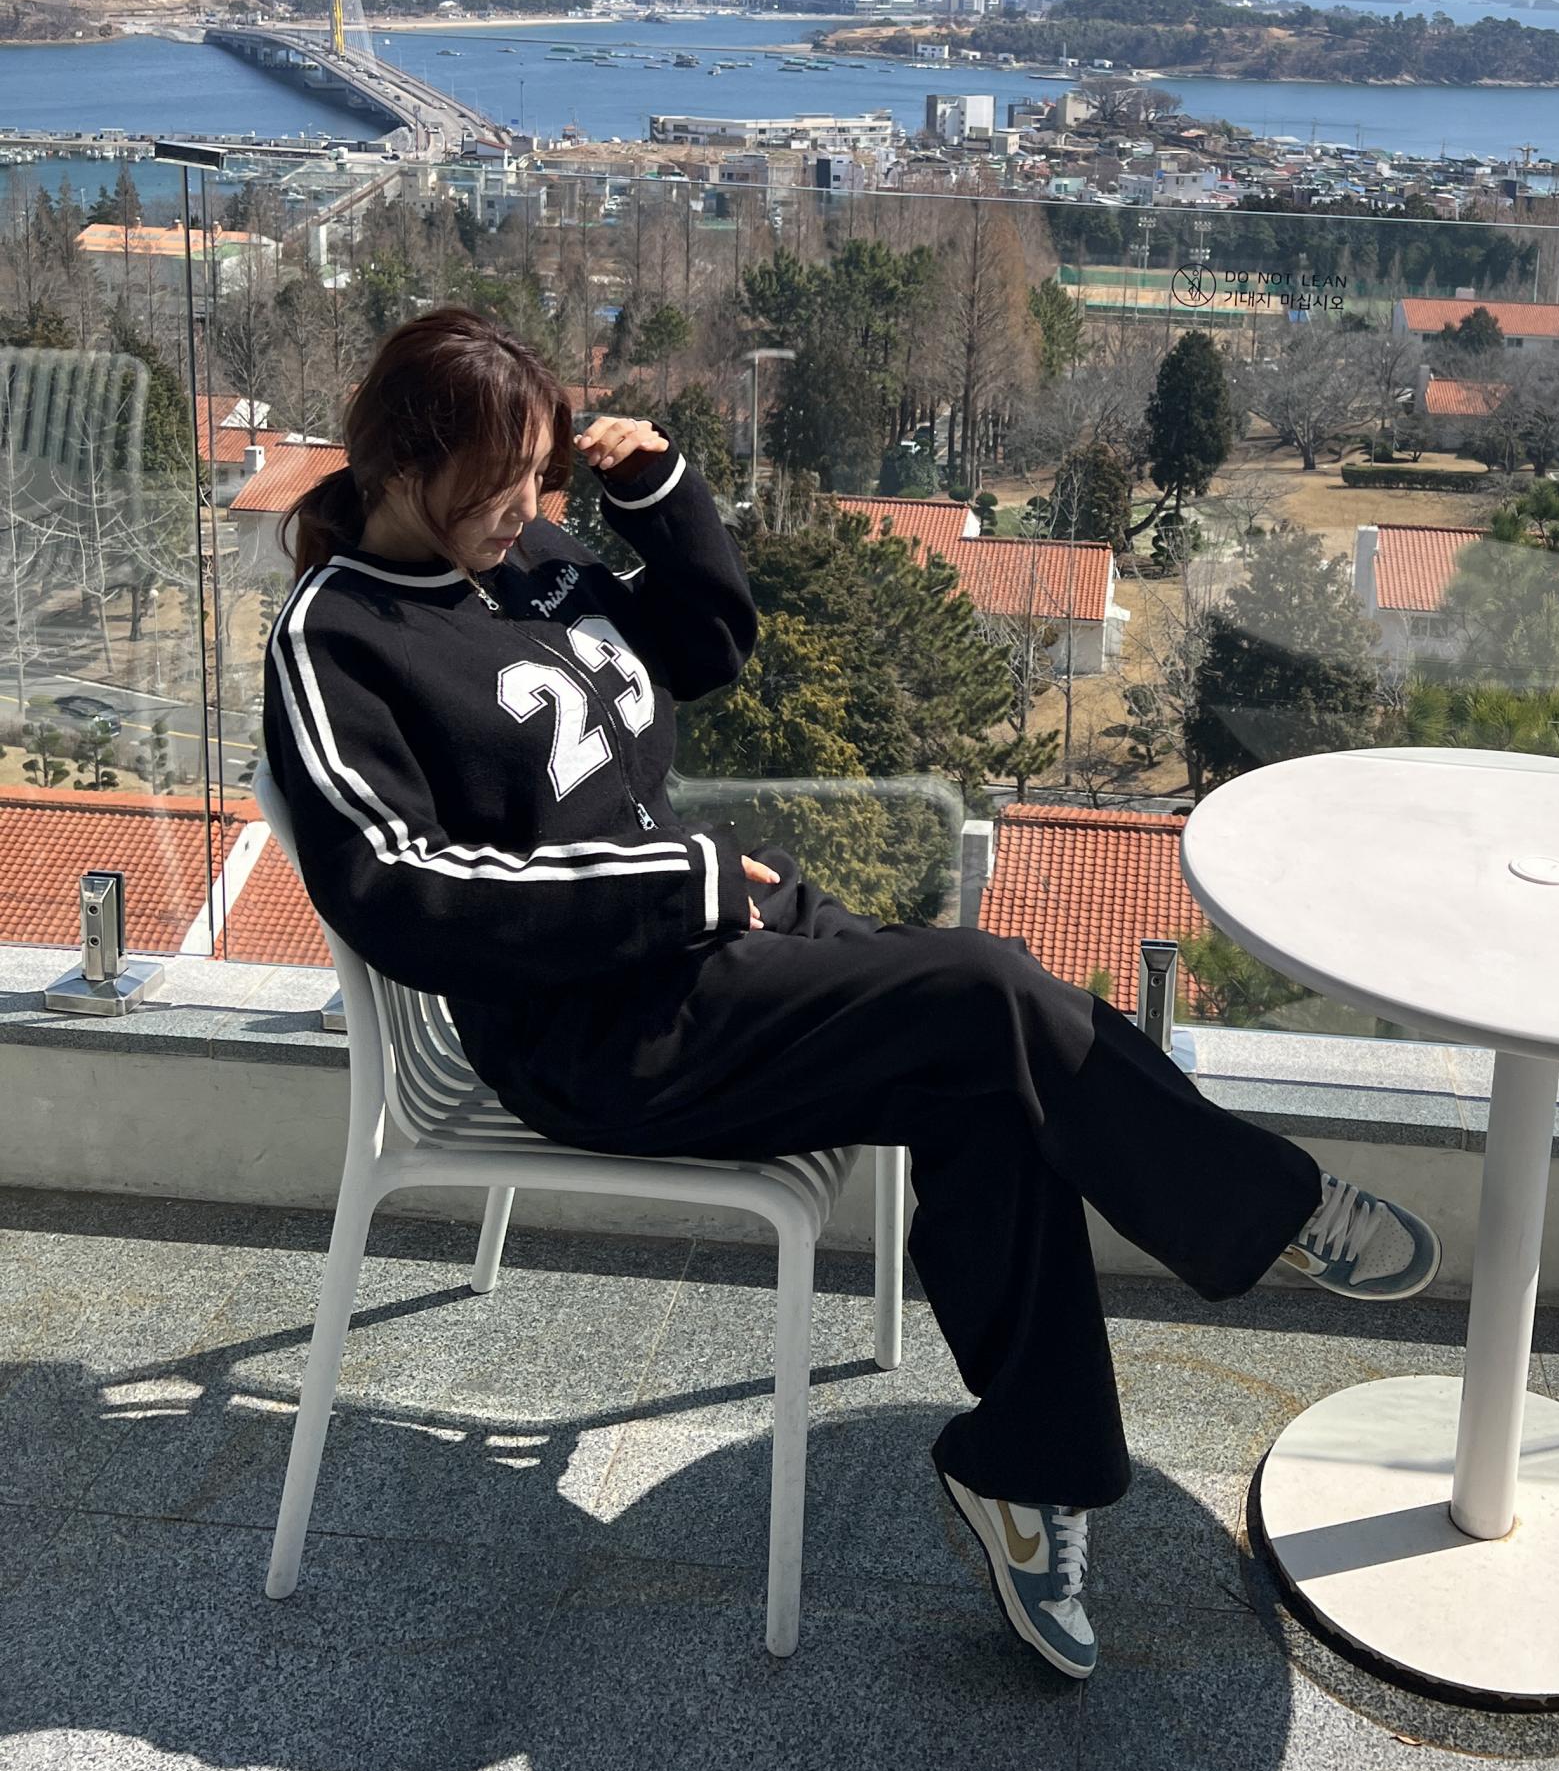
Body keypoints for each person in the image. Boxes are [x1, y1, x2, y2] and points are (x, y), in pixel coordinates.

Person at [264, 304, 1442, 1683]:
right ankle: (1268, 1206)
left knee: (993, 1085)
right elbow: (403, 889)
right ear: (402, 466)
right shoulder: (337, 640)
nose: (524, 510)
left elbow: (705, 649)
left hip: (716, 941)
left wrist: (660, 498)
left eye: (538, 478)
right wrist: (680, 888)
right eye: (495, 486)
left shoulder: (533, 557)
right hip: (598, 1030)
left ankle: (1025, 1469)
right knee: (985, 988)